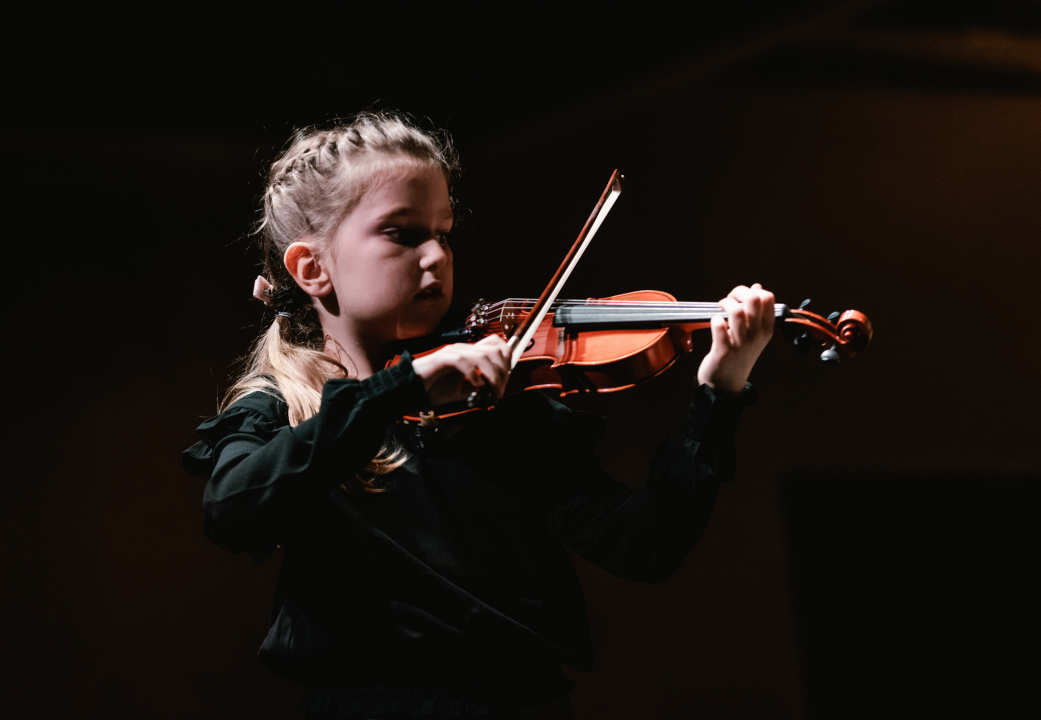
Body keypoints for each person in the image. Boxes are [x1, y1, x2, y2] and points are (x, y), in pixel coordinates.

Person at [182, 111, 775, 720]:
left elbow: (641, 547)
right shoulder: (283, 406)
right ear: (313, 268)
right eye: (402, 234)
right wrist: (398, 389)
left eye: (444, 231)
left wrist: (719, 391)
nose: (436, 255)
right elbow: (233, 510)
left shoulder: (500, 408)